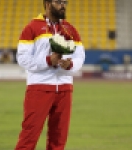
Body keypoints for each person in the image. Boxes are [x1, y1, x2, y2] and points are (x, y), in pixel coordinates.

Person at [14, 0, 85, 150]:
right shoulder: (32, 27)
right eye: (58, 2)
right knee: (29, 136)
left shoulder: (70, 29)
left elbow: (80, 56)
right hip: (39, 88)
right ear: (47, 3)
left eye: (65, 2)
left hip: (65, 89)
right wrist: (48, 60)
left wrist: (70, 65)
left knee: (59, 139)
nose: (63, 5)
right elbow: (22, 58)